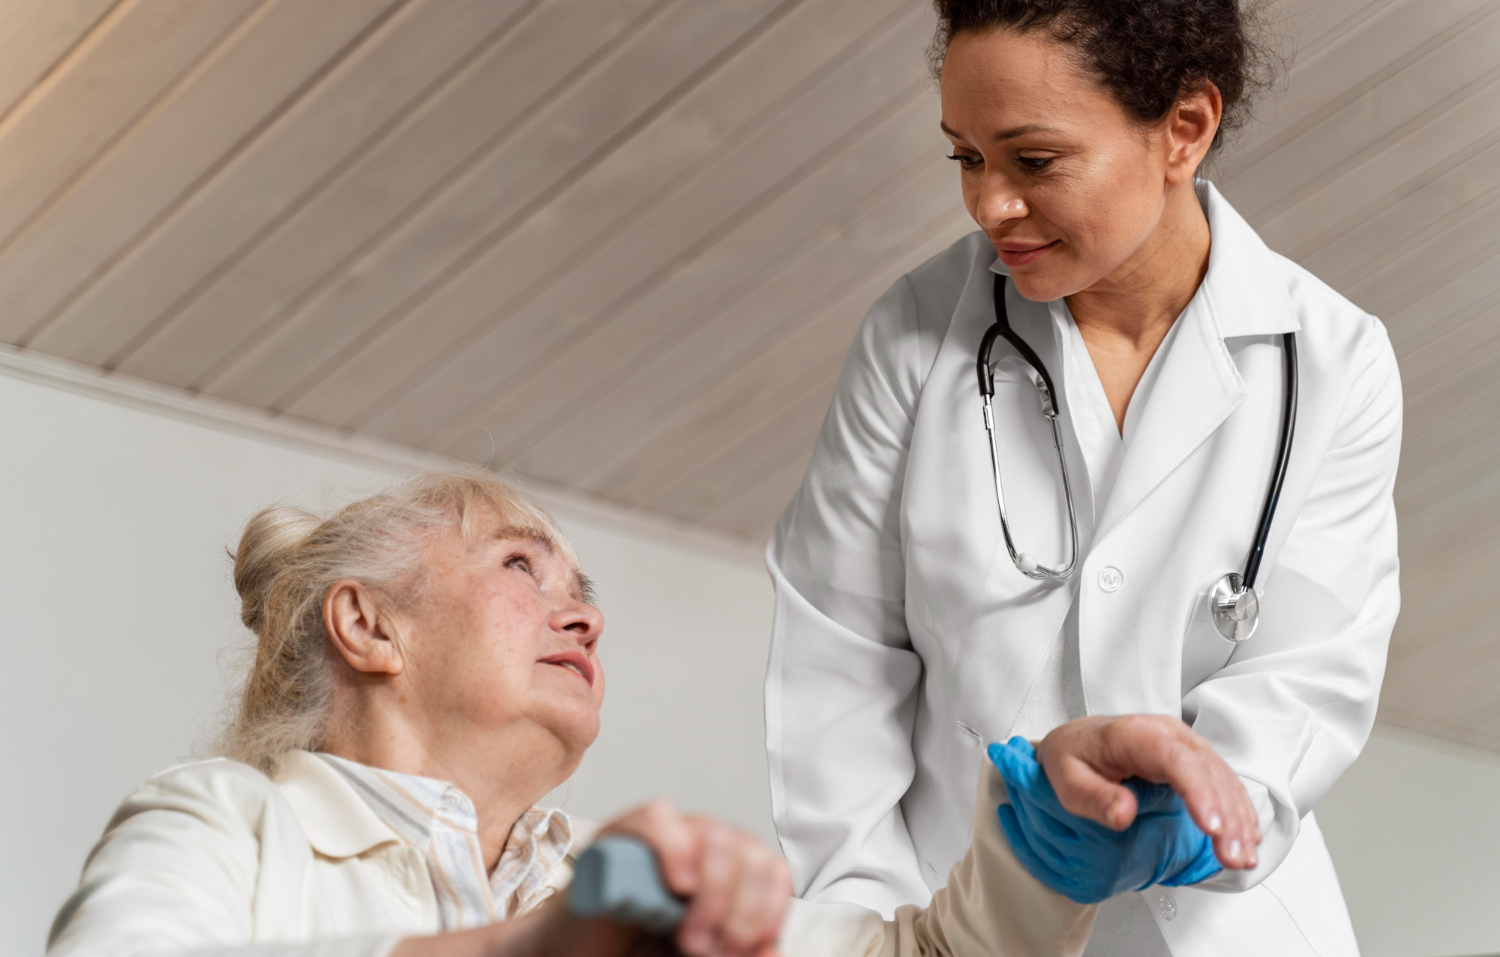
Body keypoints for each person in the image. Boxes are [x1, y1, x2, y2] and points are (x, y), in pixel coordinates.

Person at [765, 2, 1402, 955]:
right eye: (966, 158)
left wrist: (1186, 824)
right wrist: (873, 928)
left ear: (1184, 128)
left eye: (1034, 160)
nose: (989, 205)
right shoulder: (914, 336)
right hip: (958, 920)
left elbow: (1310, 676)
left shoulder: (1332, 360)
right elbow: (836, 662)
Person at [47, 470, 1258, 957]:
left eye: (588, 594)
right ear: (368, 626)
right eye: (523, 569)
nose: (584, 617)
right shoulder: (224, 826)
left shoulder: (620, 890)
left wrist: (1045, 844)